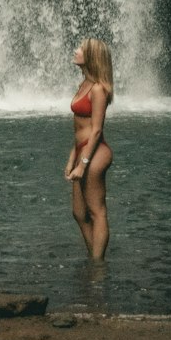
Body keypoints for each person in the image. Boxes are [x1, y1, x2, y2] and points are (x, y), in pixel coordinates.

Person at [65, 36, 114, 259]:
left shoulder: (98, 89)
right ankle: (94, 257)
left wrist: (83, 164)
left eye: (80, 49)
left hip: (95, 153)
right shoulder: (84, 84)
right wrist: (72, 158)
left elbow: (95, 130)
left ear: (91, 57)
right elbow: (79, 128)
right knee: (78, 212)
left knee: (96, 210)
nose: (75, 51)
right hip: (81, 151)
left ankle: (97, 265)